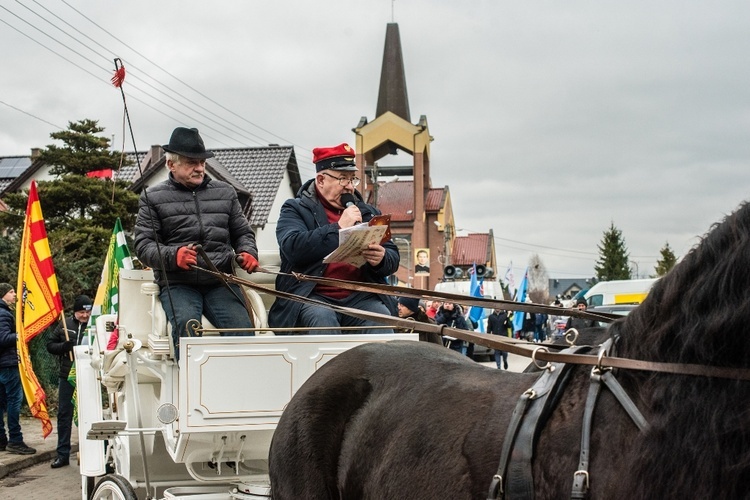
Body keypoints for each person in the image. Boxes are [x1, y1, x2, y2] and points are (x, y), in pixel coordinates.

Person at [134, 127, 259, 359]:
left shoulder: (226, 193)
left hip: (220, 280)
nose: (200, 168)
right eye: (192, 162)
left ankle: (241, 386)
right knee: (188, 327)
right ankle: (190, 390)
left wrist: (247, 251)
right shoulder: (152, 197)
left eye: (201, 162)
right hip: (178, 283)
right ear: (171, 164)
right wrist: (174, 256)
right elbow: (143, 246)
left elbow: (243, 233)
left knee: (243, 330)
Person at [268, 143, 399, 334]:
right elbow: (292, 247)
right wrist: (338, 228)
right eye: (342, 179)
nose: (349, 186)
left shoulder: (368, 212)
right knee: (323, 319)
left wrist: (381, 259)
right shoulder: (295, 208)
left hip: (359, 297)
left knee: (381, 321)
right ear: (321, 180)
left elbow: (393, 257)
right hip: (313, 296)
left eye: (352, 179)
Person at [46, 294, 92, 468]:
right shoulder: (66, 324)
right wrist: (63, 347)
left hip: (88, 376)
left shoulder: (94, 324)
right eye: (81, 312)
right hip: (67, 377)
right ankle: (62, 454)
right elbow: (50, 346)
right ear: (75, 312)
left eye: (87, 312)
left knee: (88, 415)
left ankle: (91, 452)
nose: (85, 316)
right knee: (64, 415)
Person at [0, 283, 36, 455]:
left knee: (1, 404)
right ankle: (15, 439)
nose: (14, 294)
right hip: (7, 364)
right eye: (11, 292)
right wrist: (21, 335)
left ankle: (1, 439)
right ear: (3, 295)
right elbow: (3, 338)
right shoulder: (3, 313)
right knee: (14, 400)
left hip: (3, 364)